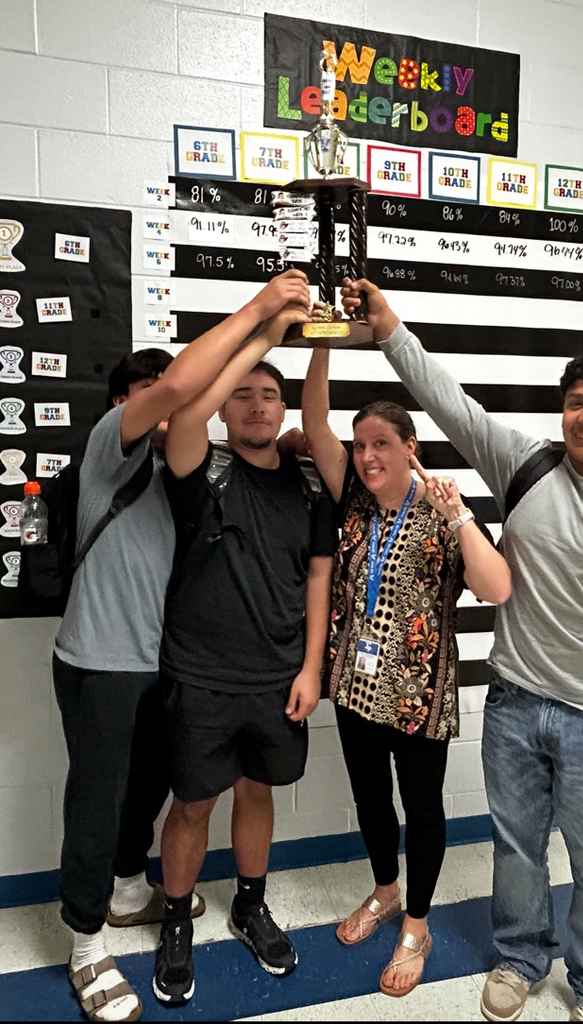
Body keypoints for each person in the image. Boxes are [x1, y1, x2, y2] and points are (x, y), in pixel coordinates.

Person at [339, 279, 583, 1022]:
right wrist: (391, 329)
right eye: (578, 401)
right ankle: (521, 956)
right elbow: (449, 401)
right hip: (513, 705)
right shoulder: (526, 465)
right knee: (516, 849)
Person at [53, 269, 311, 1024]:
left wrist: (274, 351)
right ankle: (85, 945)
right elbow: (185, 391)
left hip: (162, 666)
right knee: (95, 803)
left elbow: (213, 406)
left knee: (152, 787)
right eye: (158, 398)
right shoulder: (113, 448)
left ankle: (132, 886)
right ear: (128, 408)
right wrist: (260, 309)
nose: (176, 405)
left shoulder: (183, 475)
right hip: (101, 660)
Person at [300, 347, 511, 998]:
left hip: (421, 696)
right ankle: (385, 893)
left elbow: (498, 586)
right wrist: (322, 340)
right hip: (356, 689)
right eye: (361, 444)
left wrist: (460, 515)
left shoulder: (444, 510)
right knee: (369, 799)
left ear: (410, 446)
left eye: (382, 443)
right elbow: (312, 423)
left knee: (421, 809)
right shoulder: (356, 500)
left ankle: (416, 924)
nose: (367, 455)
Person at [152, 307, 338, 1006]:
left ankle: (249, 905)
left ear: (283, 408)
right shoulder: (200, 469)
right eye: (243, 394)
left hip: (278, 677)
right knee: (193, 802)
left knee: (256, 793)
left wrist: (312, 667)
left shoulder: (308, 483)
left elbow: (319, 577)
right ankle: (177, 920)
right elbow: (187, 409)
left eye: (269, 395)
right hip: (199, 675)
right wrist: (262, 332)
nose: (257, 406)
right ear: (224, 408)